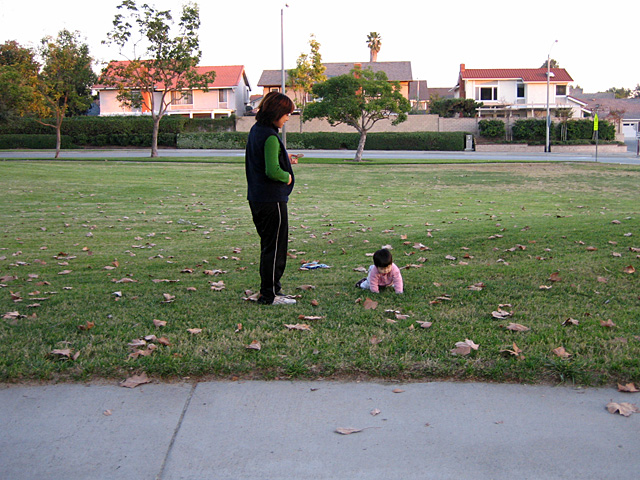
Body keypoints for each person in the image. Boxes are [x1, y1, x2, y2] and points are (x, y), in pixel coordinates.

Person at [245, 91, 299, 305]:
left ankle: (273, 290)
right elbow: (272, 170)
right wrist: (286, 176)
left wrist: (285, 159)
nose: (288, 118)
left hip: (257, 198)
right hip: (271, 200)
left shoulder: (257, 130)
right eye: (286, 113)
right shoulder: (270, 135)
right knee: (275, 248)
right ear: (276, 112)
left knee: (269, 246)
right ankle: (270, 295)